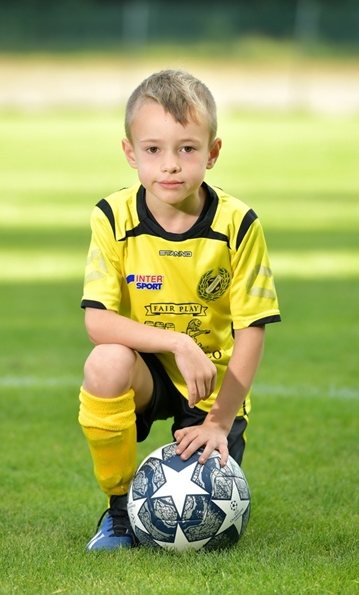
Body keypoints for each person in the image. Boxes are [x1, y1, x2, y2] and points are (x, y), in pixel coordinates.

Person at [78, 69, 281, 551]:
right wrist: (177, 342)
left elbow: (252, 329)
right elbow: (97, 321)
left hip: (213, 382)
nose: (170, 165)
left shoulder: (238, 224)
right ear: (130, 153)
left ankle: (208, 431)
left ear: (213, 152)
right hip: (148, 368)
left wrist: (219, 421)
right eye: (153, 149)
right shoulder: (113, 217)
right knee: (105, 363)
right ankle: (120, 511)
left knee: (202, 515)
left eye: (187, 149)